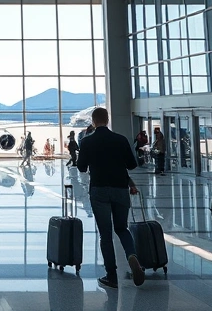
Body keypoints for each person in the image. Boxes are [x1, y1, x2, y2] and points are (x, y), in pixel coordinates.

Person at [76, 107, 144, 290]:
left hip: (99, 190)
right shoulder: (120, 140)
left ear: (94, 121)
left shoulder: (87, 141)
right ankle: (132, 256)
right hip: (120, 189)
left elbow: (81, 167)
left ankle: (111, 276)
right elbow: (131, 164)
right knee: (122, 228)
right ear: (107, 120)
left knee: (105, 235)